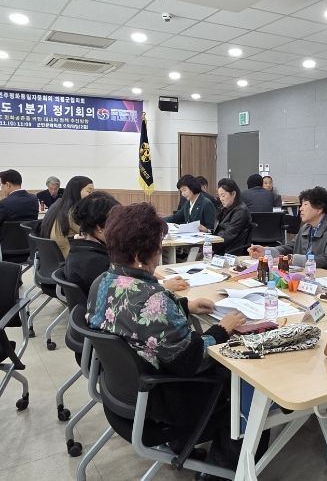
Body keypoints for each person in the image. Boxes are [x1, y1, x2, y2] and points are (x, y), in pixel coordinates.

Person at [85, 202, 250, 471]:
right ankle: (225, 467)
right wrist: (222, 329)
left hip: (122, 393)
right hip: (166, 403)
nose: (159, 254)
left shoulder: (101, 282)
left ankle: (183, 445)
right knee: (244, 377)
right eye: (158, 248)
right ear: (140, 255)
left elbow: (136, 322)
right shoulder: (154, 299)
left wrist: (184, 306)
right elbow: (192, 360)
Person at [65, 192, 188, 296]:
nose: (120, 227)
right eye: (116, 222)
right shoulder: (96, 262)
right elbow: (124, 298)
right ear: (99, 227)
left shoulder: (81, 248)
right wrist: (164, 287)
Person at [248, 186, 327, 274]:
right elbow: (291, 247)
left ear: (319, 208)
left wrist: (293, 260)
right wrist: (267, 251)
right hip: (308, 276)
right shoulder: (306, 227)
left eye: (305, 204)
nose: (301, 209)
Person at [0, 169, 38, 259]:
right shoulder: (34, 199)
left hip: (5, 249)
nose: (1, 189)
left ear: (8, 185)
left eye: (1, 185)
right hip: (29, 247)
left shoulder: (4, 204)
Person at [40, 176, 94, 258]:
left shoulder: (58, 205)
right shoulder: (72, 211)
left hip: (50, 256)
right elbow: (90, 233)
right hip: (67, 256)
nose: (92, 195)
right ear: (77, 191)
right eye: (89, 191)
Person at [200, 178, 251, 255]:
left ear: (233, 194)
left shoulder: (240, 211)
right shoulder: (225, 208)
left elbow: (228, 235)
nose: (221, 199)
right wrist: (208, 231)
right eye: (219, 196)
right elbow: (220, 229)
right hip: (220, 247)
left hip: (228, 251)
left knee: (195, 257)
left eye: (223, 196)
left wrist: (210, 246)